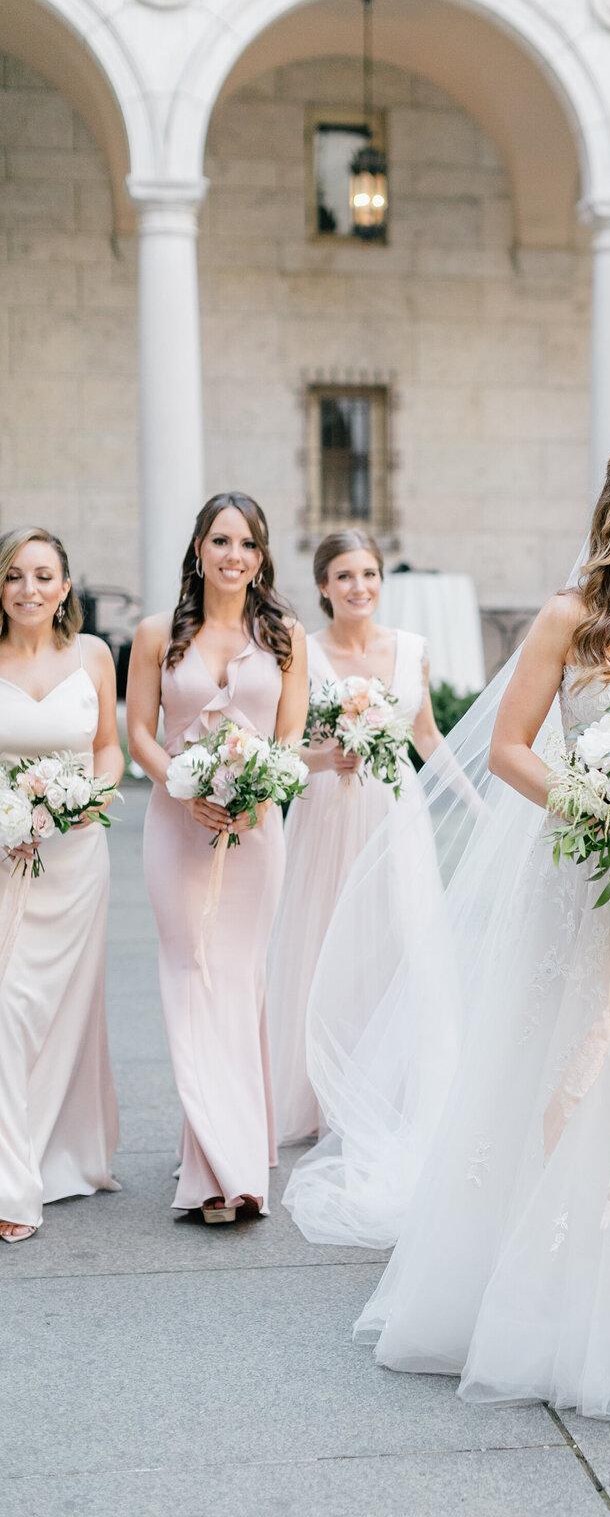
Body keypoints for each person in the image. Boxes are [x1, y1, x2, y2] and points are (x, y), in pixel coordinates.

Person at [288, 439, 610, 1423]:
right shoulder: (573, 620)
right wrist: (599, 800)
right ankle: (542, 1291)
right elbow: (508, 748)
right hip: (587, 871)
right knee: (572, 1056)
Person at [126, 493, 307, 1223]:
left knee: (235, 983)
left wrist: (264, 791)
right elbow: (139, 729)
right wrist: (179, 785)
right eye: (221, 540)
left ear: (262, 558)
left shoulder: (287, 635)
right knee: (190, 980)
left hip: (257, 832)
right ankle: (217, 1167)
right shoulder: (153, 635)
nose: (235, 555)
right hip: (177, 830)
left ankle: (221, 1154)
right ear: (199, 549)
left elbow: (290, 736)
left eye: (249, 544)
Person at [266, 529, 443, 1145]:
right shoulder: (302, 653)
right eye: (344, 576)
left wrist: (484, 804)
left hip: (395, 811)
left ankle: (387, 1087)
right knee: (319, 940)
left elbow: (426, 738)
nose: (358, 587)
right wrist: (325, 758)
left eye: (368, 574)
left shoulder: (412, 648)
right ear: (323, 586)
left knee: (395, 940)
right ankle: (315, 1090)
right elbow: (284, 745)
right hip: (325, 811)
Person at [0, 527, 121, 1242]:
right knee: (11, 1008)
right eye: (14, 575)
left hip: (77, 862)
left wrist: (85, 803)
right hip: (5, 856)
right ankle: (12, 1182)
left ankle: (52, 1153)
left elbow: (108, 747)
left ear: (66, 585)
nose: (29, 589)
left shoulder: (94, 656)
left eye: (43, 575)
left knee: (60, 1013)